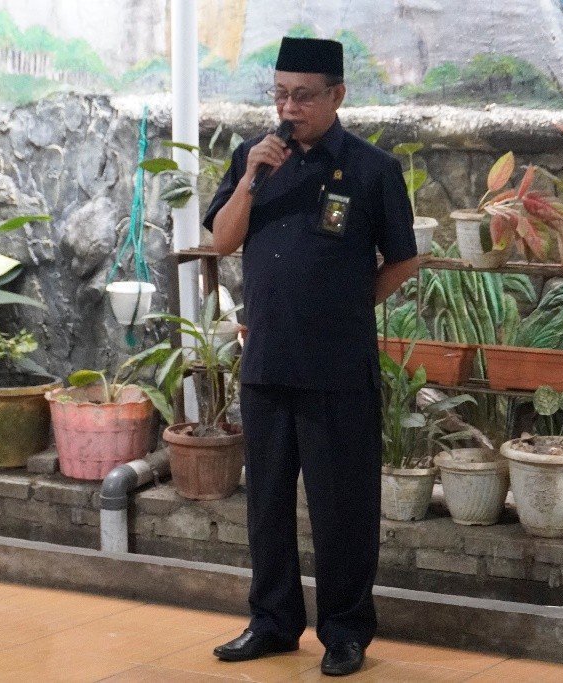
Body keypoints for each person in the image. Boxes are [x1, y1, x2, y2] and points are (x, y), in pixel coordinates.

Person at [202, 36, 420, 677]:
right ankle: (272, 622)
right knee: (266, 503)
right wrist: (249, 180)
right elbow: (222, 240)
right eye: (279, 94)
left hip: (338, 367)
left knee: (342, 506)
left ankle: (346, 633)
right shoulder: (253, 158)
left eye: (302, 96)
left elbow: (404, 259)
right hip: (267, 362)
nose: (288, 108)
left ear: (336, 95)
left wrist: (348, 304)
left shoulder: (372, 170)